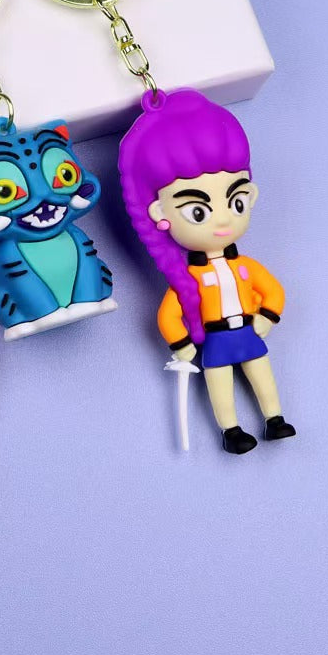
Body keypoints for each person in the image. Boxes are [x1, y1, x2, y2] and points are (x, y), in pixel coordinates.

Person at [119, 89, 296, 454]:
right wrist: (183, 344)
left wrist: (267, 316)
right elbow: (169, 315)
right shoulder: (187, 280)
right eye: (198, 211)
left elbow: (274, 290)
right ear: (160, 214)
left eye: (235, 202)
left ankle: (275, 418)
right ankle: (231, 430)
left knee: (263, 375)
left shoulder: (245, 267)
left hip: (248, 330)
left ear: (250, 195)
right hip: (215, 339)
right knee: (220, 385)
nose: (222, 220)